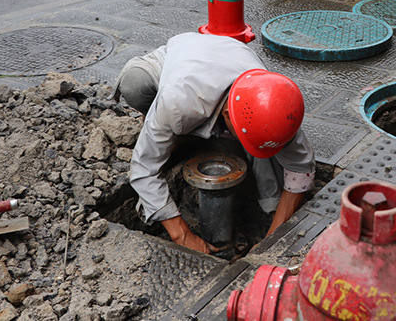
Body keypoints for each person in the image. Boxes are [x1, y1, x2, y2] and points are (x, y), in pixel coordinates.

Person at [112, 32, 316, 254]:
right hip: (177, 63)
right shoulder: (178, 100)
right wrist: (182, 235)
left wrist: (272, 240)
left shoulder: (273, 102)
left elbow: (300, 168)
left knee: (265, 157)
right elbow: (143, 168)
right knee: (135, 86)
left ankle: (197, 137)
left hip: (229, 59)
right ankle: (177, 136)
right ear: (229, 115)